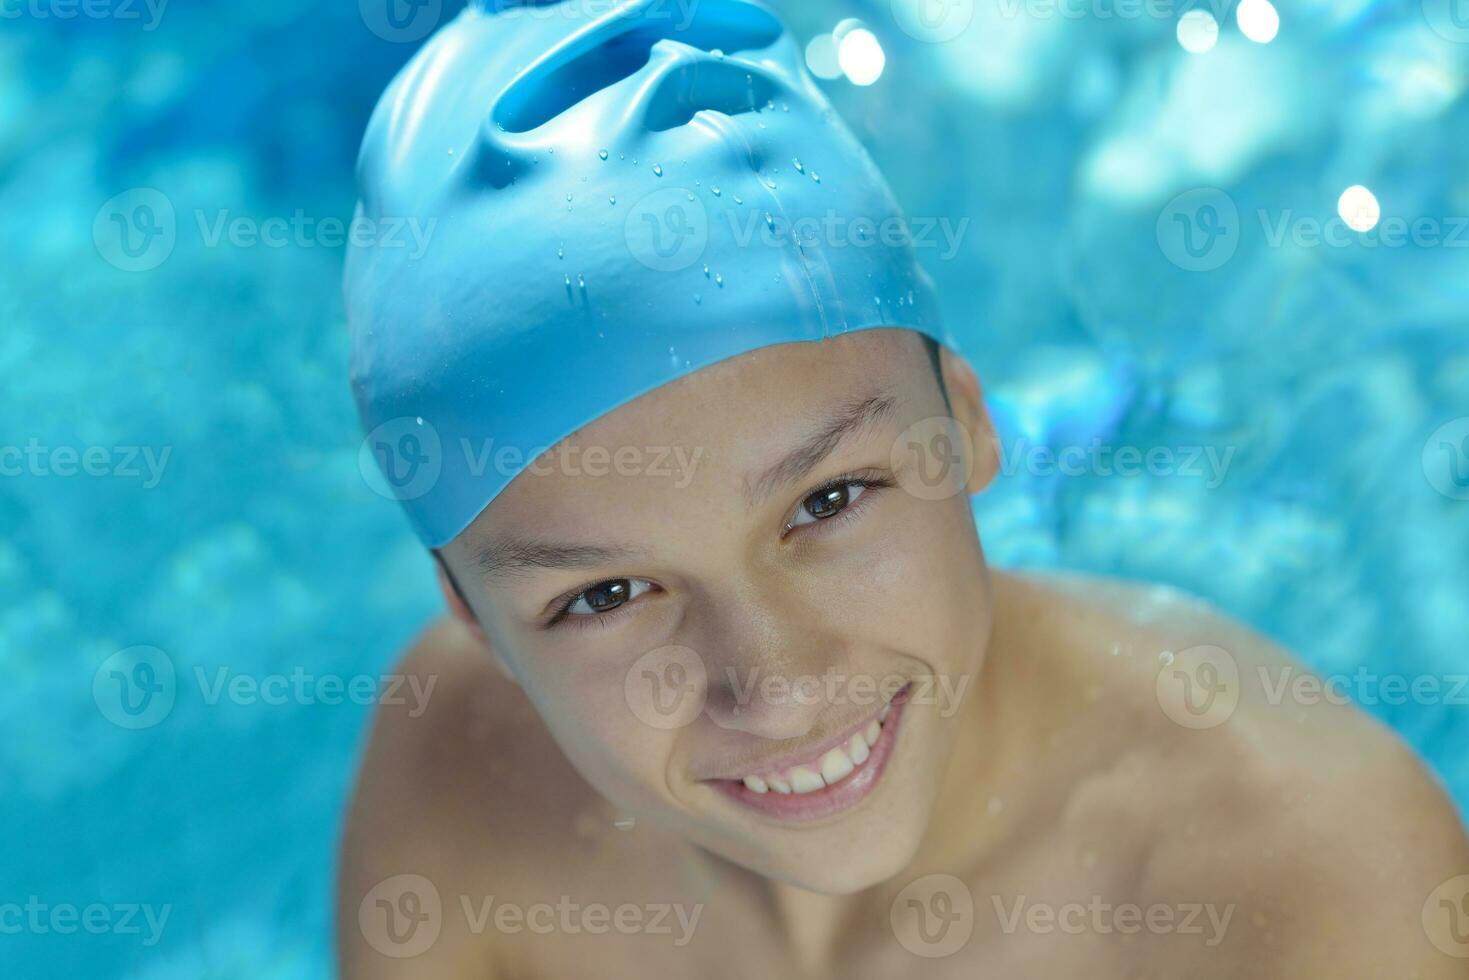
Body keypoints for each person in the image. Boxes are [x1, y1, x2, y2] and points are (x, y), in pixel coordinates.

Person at [337, 2, 1469, 975]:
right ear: (470, 615)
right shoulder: (460, 780)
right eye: (608, 592)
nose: (773, 688)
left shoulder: (1314, 888)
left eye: (827, 502)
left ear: (968, 423)